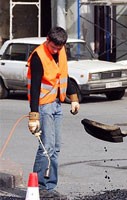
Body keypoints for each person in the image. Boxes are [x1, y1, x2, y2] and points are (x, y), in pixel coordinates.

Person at [27, 26, 80, 199]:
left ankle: (50, 187)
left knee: (56, 148)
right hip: (43, 106)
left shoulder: (61, 51)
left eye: (59, 47)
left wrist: (73, 97)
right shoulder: (38, 56)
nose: (56, 50)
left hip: (57, 104)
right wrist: (33, 115)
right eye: (54, 47)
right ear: (47, 40)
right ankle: (39, 186)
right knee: (46, 147)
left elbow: (64, 74)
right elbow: (34, 87)